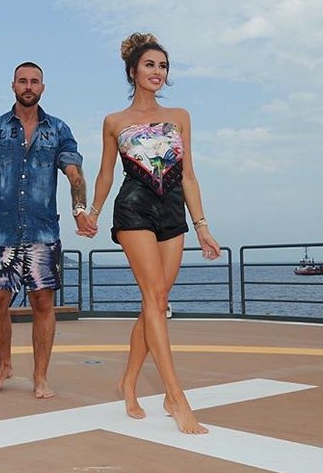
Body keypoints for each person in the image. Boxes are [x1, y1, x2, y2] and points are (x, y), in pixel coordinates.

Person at [82, 33, 222, 434]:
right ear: (133, 71)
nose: (157, 72)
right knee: (153, 298)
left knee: (157, 302)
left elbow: (190, 174)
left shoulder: (180, 116)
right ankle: (176, 396)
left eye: (162, 66)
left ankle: (128, 381)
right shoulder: (114, 122)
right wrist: (92, 212)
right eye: (149, 65)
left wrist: (203, 227)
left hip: (172, 211)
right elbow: (107, 173)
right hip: (133, 210)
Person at [0, 61, 95, 399]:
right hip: (0, 232)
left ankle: (40, 376)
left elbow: (74, 174)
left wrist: (80, 210)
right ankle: (5, 364)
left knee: (43, 304)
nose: (28, 86)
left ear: (43, 88)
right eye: (23, 81)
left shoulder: (59, 130)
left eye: (34, 81)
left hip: (42, 231)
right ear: (13, 86)